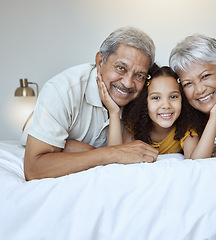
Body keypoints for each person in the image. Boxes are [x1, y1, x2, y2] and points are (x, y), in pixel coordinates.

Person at [24, 27, 159, 180]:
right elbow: (33, 169)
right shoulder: (62, 90)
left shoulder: (143, 99)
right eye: (121, 68)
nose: (128, 83)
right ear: (100, 62)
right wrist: (111, 153)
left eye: (139, 75)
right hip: (34, 126)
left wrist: (83, 150)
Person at [98, 64, 216, 159]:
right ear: (145, 102)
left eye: (173, 97)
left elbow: (197, 161)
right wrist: (114, 112)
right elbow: (115, 158)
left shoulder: (186, 129)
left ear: (182, 99)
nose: (166, 105)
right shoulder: (134, 127)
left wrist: (215, 114)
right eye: (156, 98)